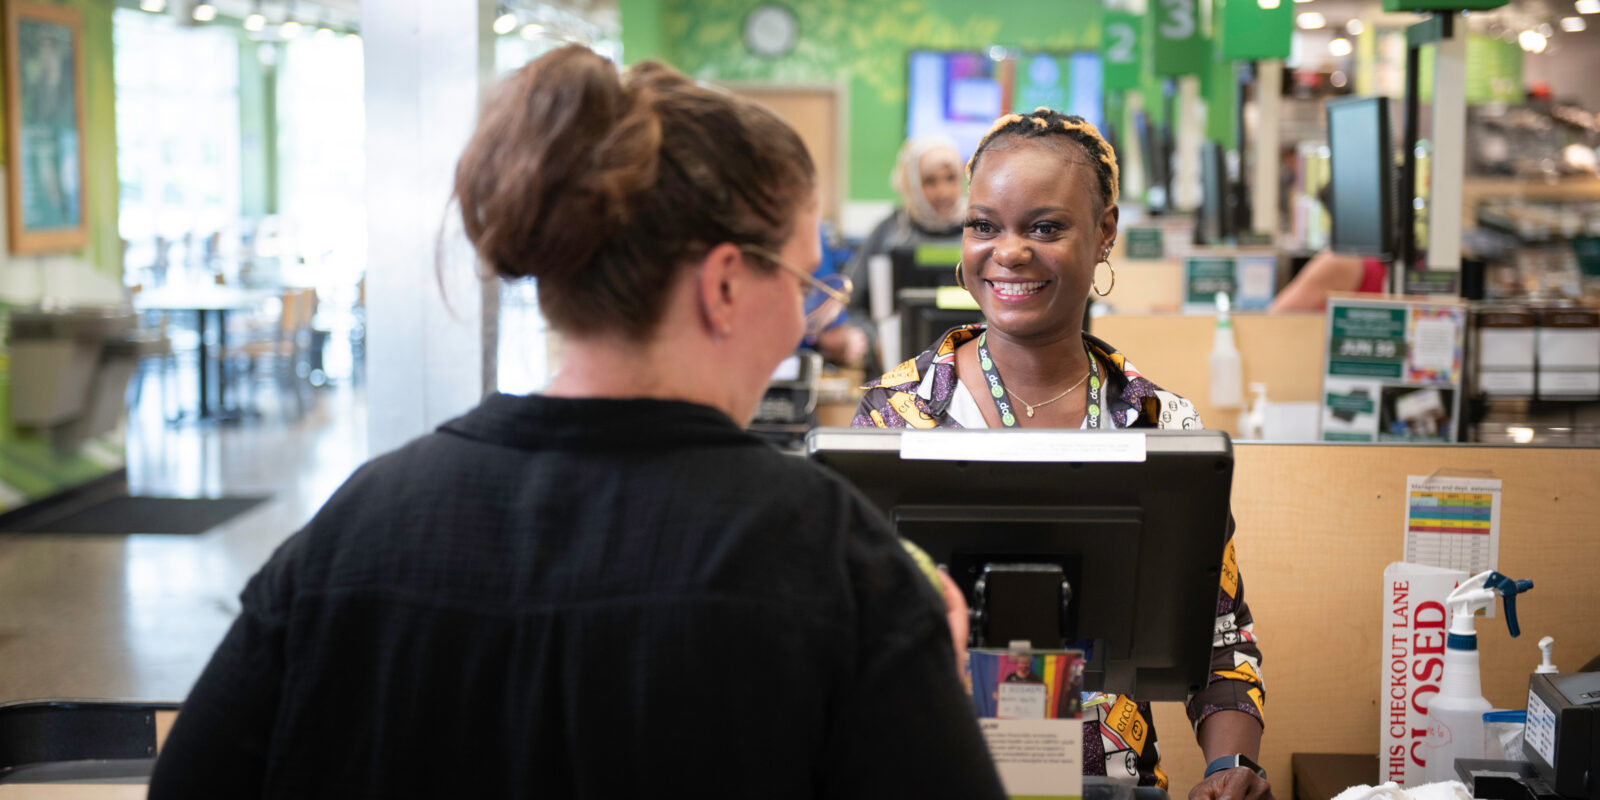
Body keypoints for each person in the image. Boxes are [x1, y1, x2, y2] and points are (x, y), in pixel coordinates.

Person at [148, 47, 1004, 799]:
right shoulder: (832, 557)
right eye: (807, 285)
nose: (806, 322)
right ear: (726, 284)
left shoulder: (358, 523)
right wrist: (918, 657)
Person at [853, 108, 1271, 800]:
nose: (1008, 251)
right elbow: (846, 647)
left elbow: (1219, 642)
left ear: (1104, 232)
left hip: (1106, 785)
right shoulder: (895, 418)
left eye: (1044, 227)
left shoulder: (1160, 425)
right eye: (983, 225)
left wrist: (1232, 767)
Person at [830, 137, 968, 373]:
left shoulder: (979, 230)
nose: (943, 191)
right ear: (912, 183)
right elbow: (850, 303)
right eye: (930, 181)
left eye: (951, 178)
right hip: (896, 368)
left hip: (969, 363)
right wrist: (876, 339)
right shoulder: (888, 234)